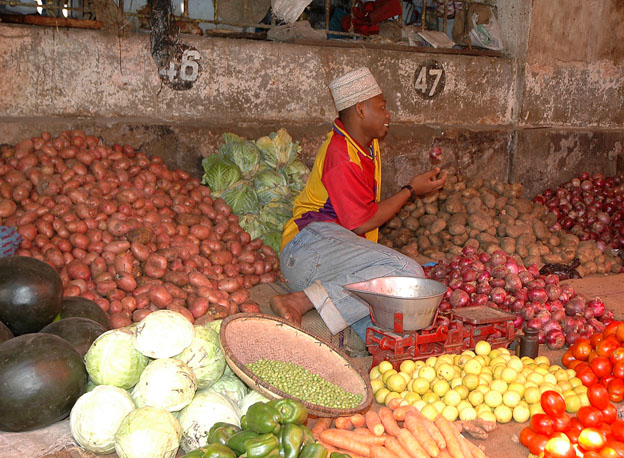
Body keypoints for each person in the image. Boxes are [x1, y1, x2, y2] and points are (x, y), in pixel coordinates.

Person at [271, 67, 446, 342]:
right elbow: (363, 222)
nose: (389, 115)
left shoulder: (366, 145)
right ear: (361, 110)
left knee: (393, 328)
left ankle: (384, 356)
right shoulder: (341, 155)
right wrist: (411, 190)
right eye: (383, 107)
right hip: (309, 248)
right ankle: (299, 301)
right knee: (405, 272)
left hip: (329, 265)